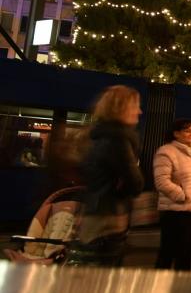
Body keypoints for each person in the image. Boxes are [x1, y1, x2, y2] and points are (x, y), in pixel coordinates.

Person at [66, 85, 144, 266]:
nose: (139, 111)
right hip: (109, 216)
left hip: (94, 211)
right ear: (121, 108)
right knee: (104, 269)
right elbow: (136, 183)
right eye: (135, 106)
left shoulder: (96, 136)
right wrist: (123, 189)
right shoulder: (118, 140)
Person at [153, 118, 191, 270]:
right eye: (187, 131)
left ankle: (182, 281)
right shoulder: (166, 151)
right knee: (168, 253)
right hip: (175, 212)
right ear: (176, 133)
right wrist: (182, 196)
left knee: (186, 255)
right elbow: (161, 181)